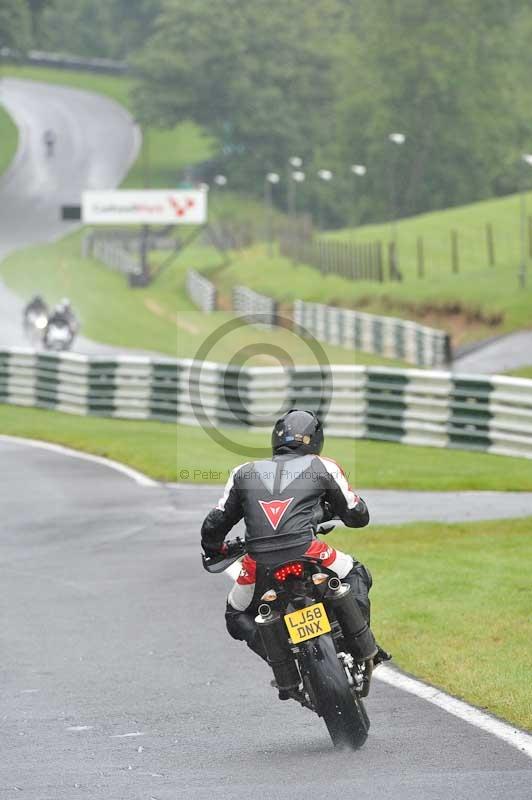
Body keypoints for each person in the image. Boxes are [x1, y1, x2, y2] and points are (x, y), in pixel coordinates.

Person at [201, 408, 390, 694]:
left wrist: (216, 548)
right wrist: (330, 509)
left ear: (275, 439)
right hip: (309, 551)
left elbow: (214, 524)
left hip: (258, 563)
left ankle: (283, 664)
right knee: (355, 572)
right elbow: (357, 515)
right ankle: (363, 647)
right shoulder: (323, 465)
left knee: (235, 615)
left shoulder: (244, 472)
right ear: (316, 439)